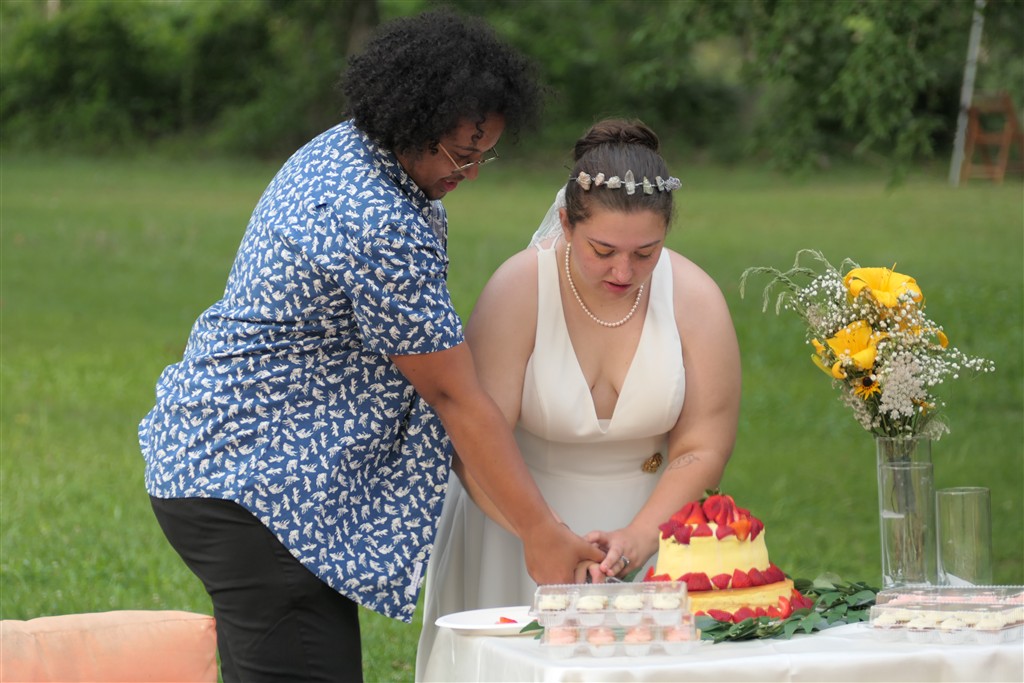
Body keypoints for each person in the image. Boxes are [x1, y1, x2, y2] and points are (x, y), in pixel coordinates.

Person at [138, 10, 603, 683]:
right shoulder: (376, 219)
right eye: (460, 154)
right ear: (411, 122)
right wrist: (540, 531)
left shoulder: (350, 148)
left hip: (231, 466)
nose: (471, 172)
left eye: (484, 155)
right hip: (255, 486)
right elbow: (453, 394)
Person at [416, 119, 742, 680]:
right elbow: (472, 442)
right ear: (566, 223)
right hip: (514, 526)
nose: (624, 271)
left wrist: (640, 537)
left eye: (646, 253)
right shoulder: (519, 289)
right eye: (603, 250)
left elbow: (702, 445)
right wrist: (539, 533)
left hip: (650, 525)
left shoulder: (696, 298)